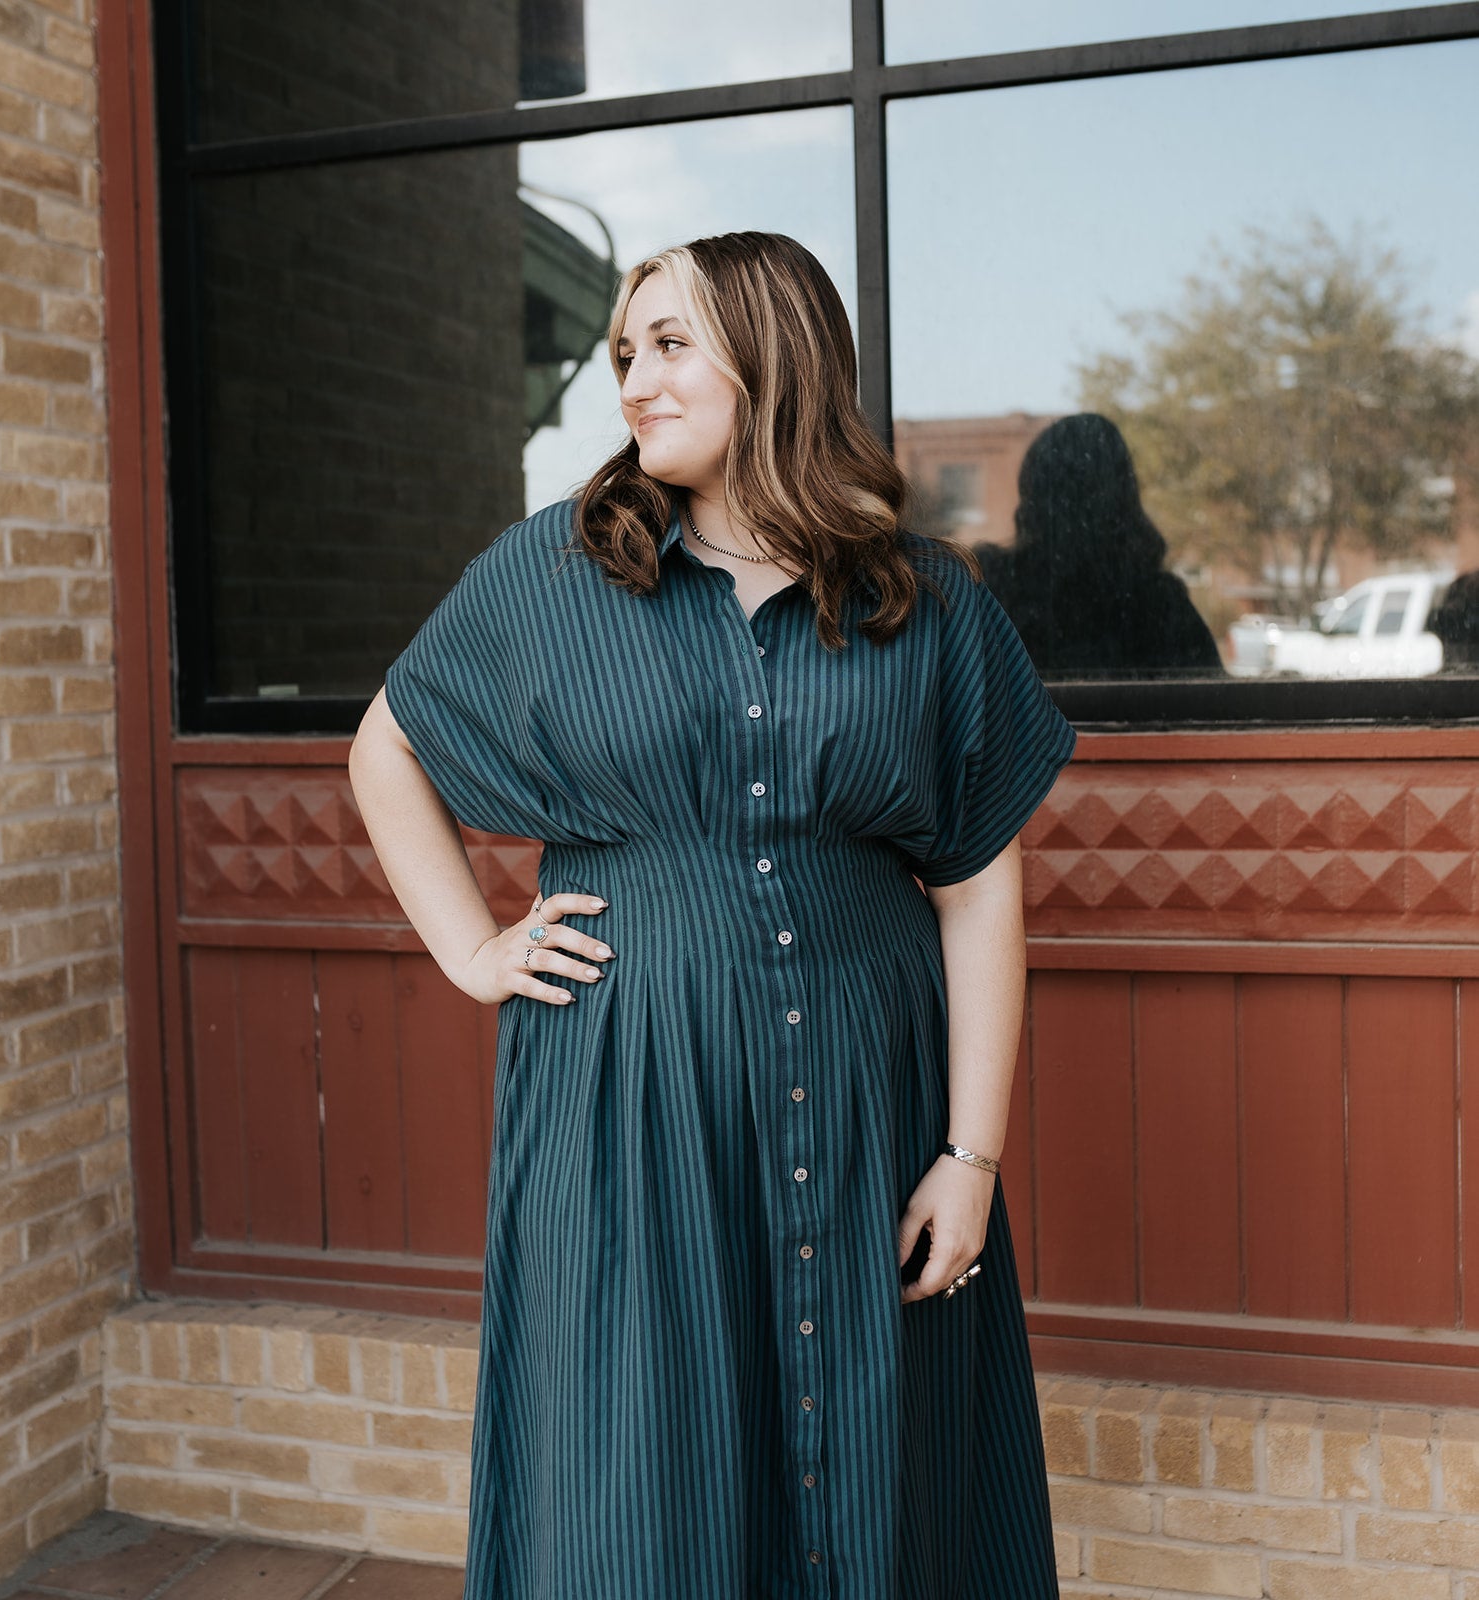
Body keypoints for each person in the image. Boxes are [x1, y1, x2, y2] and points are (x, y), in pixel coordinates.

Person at [349, 231, 1077, 1600]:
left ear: (772, 353)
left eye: (669, 345)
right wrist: (470, 948)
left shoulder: (925, 602)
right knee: (637, 1468)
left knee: (882, 1457)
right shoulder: (550, 572)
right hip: (627, 1100)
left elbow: (977, 881)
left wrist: (968, 1158)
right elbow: (384, 745)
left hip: (866, 1103)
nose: (632, 381)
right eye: (624, 352)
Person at [975, 411, 1225, 677]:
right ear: (1123, 497)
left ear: (1031, 496)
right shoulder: (1160, 606)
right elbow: (1215, 695)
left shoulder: (993, 591)